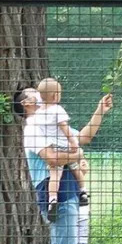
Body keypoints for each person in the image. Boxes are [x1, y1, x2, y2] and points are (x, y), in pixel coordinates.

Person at [17, 88, 84, 244]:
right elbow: (53, 158)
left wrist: (100, 111)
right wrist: (76, 156)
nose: (39, 94)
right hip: (58, 192)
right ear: (26, 103)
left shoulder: (49, 126)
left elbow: (82, 137)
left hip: (61, 190)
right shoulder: (34, 129)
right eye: (33, 93)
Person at [66, 92, 114, 244]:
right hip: (65, 203)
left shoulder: (70, 138)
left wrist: (99, 111)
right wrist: (77, 163)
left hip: (81, 204)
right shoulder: (47, 139)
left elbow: (86, 135)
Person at [34, 78, 88, 221]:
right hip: (66, 146)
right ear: (55, 96)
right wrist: (73, 143)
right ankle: (83, 192)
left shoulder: (38, 114)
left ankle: (52, 200)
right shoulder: (57, 110)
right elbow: (65, 129)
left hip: (52, 148)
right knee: (75, 167)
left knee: (54, 176)